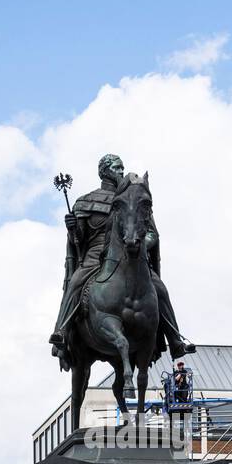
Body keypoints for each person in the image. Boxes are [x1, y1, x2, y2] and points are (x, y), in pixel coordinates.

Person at [49, 152, 196, 369]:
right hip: (94, 258)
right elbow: (79, 239)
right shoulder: (85, 201)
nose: (120, 171)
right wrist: (72, 229)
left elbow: (152, 233)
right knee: (75, 284)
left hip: (131, 256)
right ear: (104, 171)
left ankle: (174, 339)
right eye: (116, 167)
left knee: (159, 289)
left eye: (121, 167)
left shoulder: (134, 199)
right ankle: (62, 331)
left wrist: (140, 244)